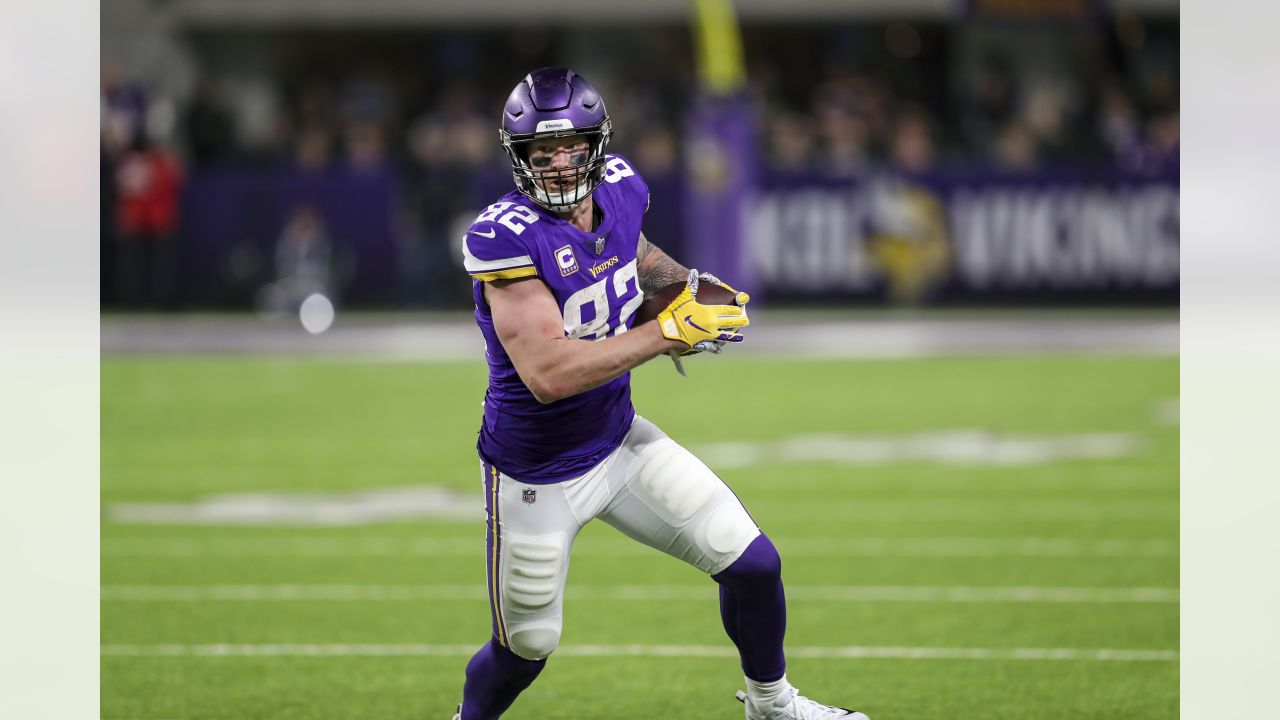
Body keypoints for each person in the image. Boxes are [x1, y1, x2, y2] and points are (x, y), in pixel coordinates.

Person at [453, 67, 869, 720]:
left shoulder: (620, 187)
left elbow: (635, 255)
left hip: (618, 441)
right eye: (542, 152)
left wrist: (682, 286)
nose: (559, 165)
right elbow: (549, 375)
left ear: (597, 145)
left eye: (570, 148)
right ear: (520, 158)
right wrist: (666, 333)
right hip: (536, 473)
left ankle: (773, 707)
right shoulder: (505, 237)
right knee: (525, 650)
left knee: (754, 564)